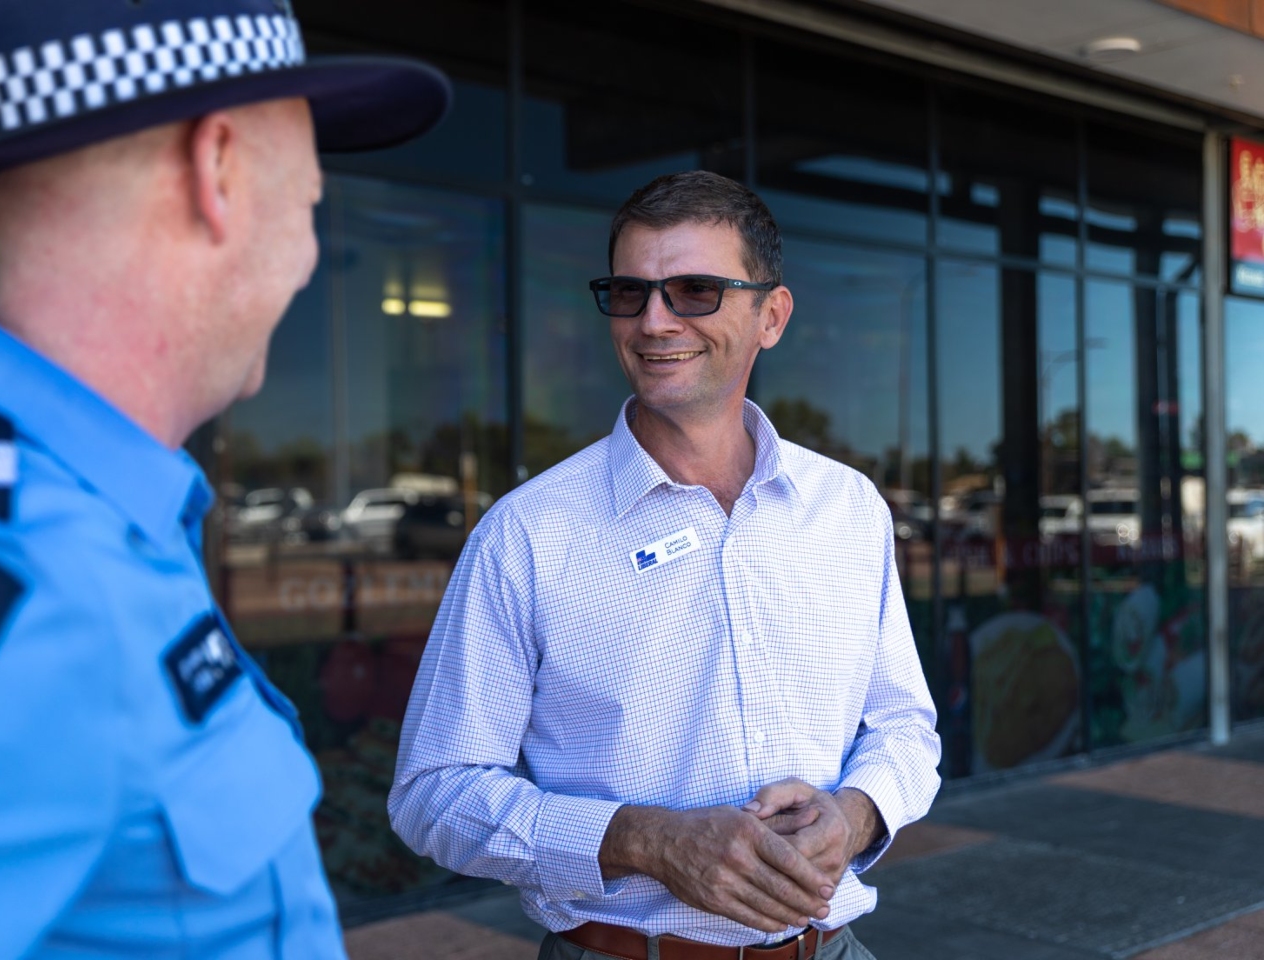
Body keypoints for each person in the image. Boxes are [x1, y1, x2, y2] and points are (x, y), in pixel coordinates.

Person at [0, 1, 449, 956]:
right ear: (218, 169)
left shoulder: (53, 501)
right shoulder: (13, 578)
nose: (309, 258)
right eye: (310, 204)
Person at [389, 171, 940, 960]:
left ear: (771, 316)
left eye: (693, 291)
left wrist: (856, 814)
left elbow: (904, 727)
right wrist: (646, 841)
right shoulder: (527, 534)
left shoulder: (848, 508)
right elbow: (433, 794)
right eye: (630, 292)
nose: (653, 321)